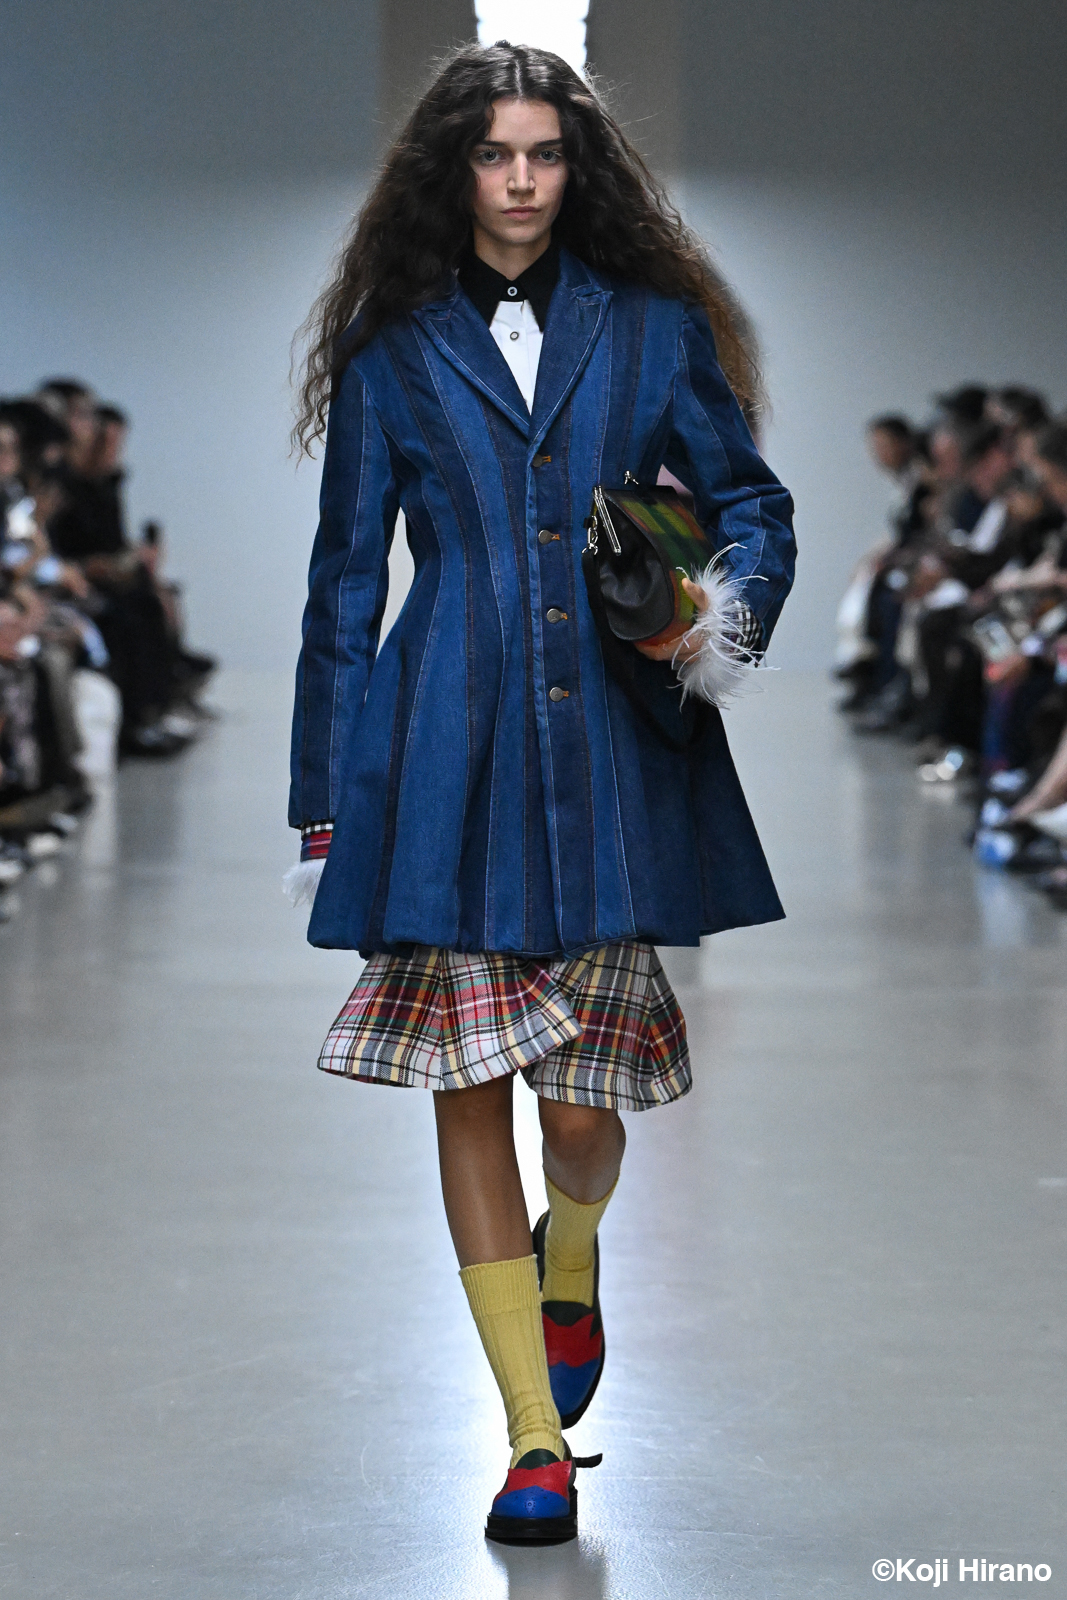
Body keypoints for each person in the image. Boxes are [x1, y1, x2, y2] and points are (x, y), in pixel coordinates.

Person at [288, 42, 795, 1545]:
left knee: (581, 1116)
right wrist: (327, 795)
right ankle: (529, 1438)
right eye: (494, 154)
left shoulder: (650, 327)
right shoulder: (391, 345)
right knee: (466, 1089)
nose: (519, 181)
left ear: (580, 167)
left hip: (611, 755)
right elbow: (344, 578)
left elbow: (750, 501)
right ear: (453, 168)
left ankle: (574, 1249)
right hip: (440, 748)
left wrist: (714, 614)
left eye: (545, 154)